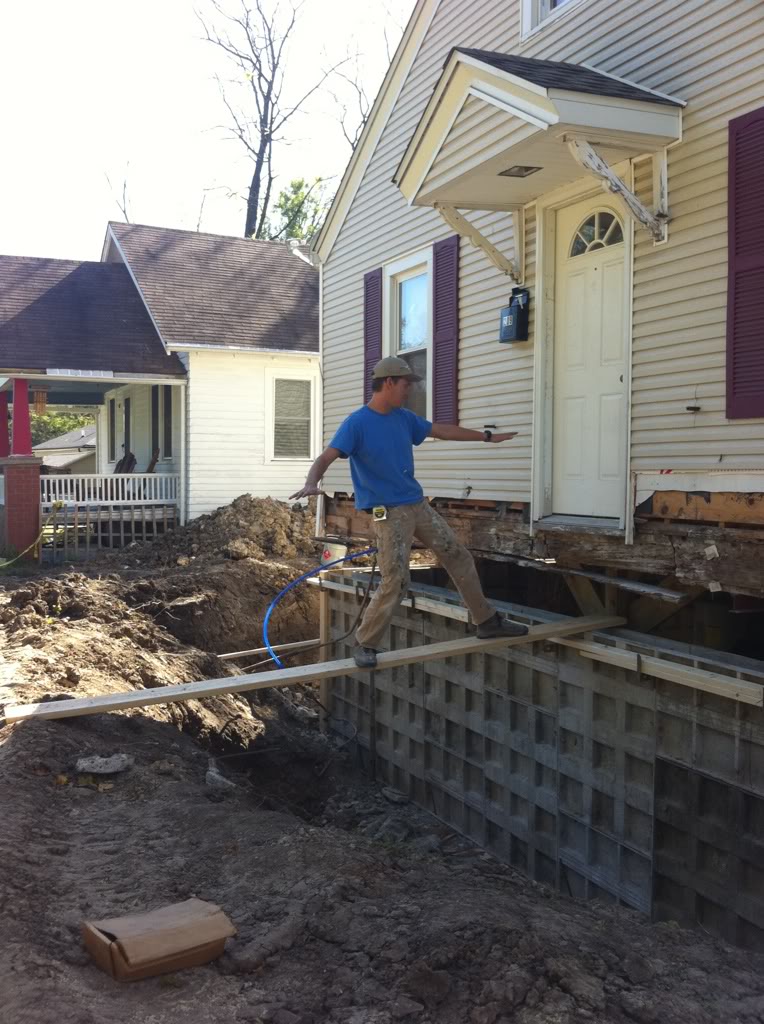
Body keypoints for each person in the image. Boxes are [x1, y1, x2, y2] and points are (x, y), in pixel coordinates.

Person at [290, 356, 528, 668]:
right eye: (406, 385)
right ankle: (365, 643)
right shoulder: (357, 423)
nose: (409, 391)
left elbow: (443, 431)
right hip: (388, 512)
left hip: (417, 505)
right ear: (388, 383)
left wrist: (486, 437)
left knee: (458, 556)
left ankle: (486, 621)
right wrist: (311, 482)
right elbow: (326, 457)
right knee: (396, 578)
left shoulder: (403, 418)